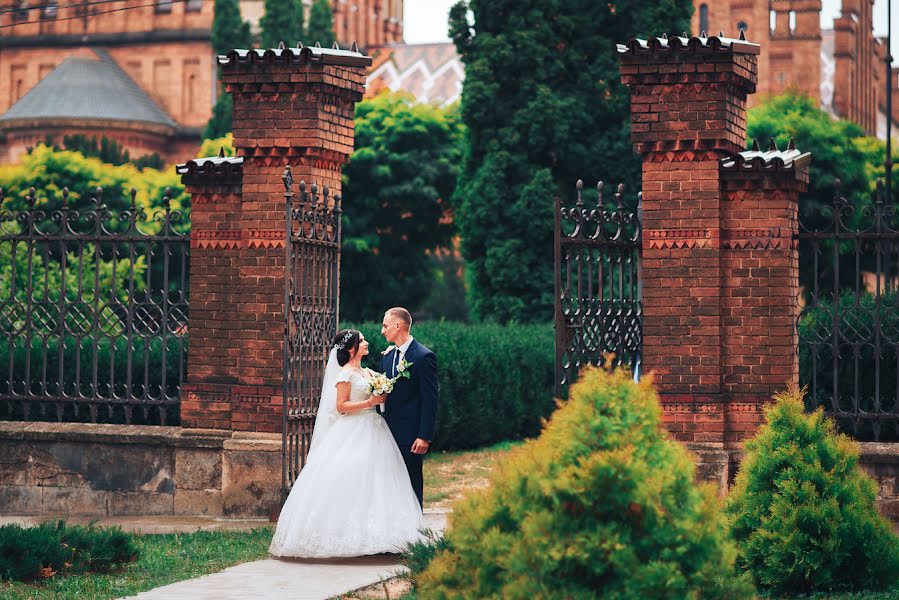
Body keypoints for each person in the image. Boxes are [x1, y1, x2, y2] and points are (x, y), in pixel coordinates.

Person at [269, 329, 424, 558]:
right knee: (353, 479)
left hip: (376, 429)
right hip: (354, 429)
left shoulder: (366, 371)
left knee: (379, 480)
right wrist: (370, 402)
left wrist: (391, 355)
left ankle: (384, 537)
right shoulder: (345, 374)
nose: (366, 342)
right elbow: (341, 406)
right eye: (361, 341)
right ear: (351, 348)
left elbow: (386, 381)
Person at [379, 307, 439, 509]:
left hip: (411, 434)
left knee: (411, 481)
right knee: (389, 482)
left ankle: (416, 532)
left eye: (385, 326)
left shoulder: (423, 357)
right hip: (386, 432)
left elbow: (430, 400)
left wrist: (424, 435)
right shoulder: (387, 357)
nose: (383, 331)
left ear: (398, 325)